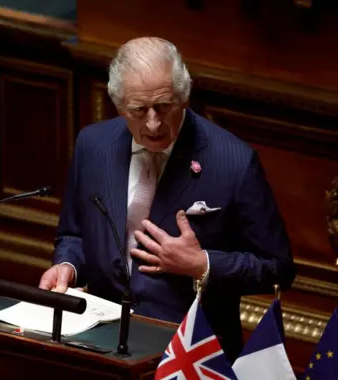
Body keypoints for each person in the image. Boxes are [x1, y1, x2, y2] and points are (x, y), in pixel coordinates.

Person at [39, 37, 294, 361]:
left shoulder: (234, 162)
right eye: (139, 110)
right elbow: (74, 234)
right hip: (101, 343)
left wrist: (203, 265)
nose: (153, 124)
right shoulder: (93, 146)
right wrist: (68, 266)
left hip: (191, 358)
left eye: (163, 107)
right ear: (119, 105)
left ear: (184, 97)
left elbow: (278, 267)